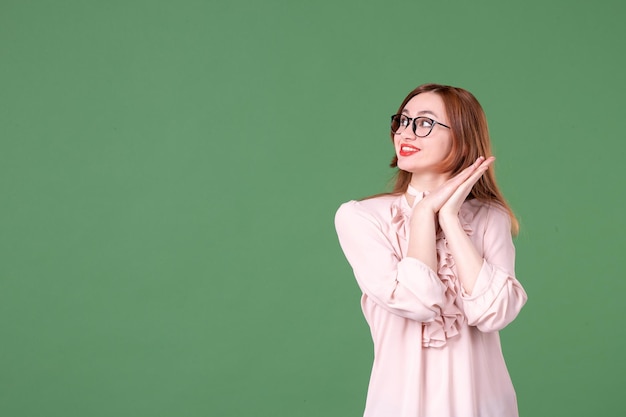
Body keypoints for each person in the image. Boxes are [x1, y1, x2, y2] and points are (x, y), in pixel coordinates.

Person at [334, 83, 528, 417]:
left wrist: (450, 218)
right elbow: (417, 301)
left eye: (424, 123)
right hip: (400, 405)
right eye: (403, 121)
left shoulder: (488, 218)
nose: (406, 133)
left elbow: (496, 312)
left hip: (483, 404)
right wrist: (424, 215)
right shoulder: (362, 217)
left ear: (462, 137)